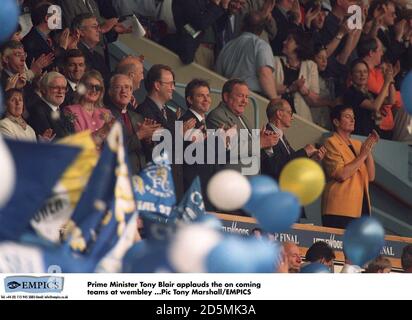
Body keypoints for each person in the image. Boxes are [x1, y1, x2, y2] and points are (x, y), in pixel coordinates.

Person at [322, 105, 378, 229]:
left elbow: (371, 176)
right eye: (347, 116)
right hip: (339, 208)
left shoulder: (358, 144)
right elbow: (341, 174)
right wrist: (363, 155)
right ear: (336, 122)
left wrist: (368, 149)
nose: (353, 120)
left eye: (353, 117)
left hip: (360, 207)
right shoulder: (331, 142)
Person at [215, 11, 278, 100]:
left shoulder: (228, 46)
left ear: (242, 25)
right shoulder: (261, 45)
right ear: (261, 30)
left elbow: (218, 75)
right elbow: (264, 74)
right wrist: (274, 99)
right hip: (251, 98)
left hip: (229, 97)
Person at [261, 99, 325, 181]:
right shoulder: (267, 135)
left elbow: (292, 160)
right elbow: (277, 168)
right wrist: (304, 151)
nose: (292, 118)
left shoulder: (281, 136)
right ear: (279, 114)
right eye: (290, 113)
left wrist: (313, 158)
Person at [273, 31, 320, 122]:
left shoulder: (311, 66)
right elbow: (270, 88)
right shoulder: (275, 61)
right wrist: (290, 88)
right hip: (276, 115)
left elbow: (315, 99)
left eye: (289, 40)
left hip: (300, 118)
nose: (284, 42)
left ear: (298, 45)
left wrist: (303, 89)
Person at [343, 58, 395, 137]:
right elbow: (374, 106)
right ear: (351, 75)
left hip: (371, 136)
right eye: (358, 72)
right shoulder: (350, 93)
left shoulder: (368, 93)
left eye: (365, 72)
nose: (362, 74)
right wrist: (386, 83)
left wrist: (390, 80)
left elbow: (391, 100)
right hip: (358, 136)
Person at [64, 70, 114, 143]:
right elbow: (77, 142)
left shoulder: (106, 112)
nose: (94, 90)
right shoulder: (70, 111)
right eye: (90, 86)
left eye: (97, 88)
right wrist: (102, 131)